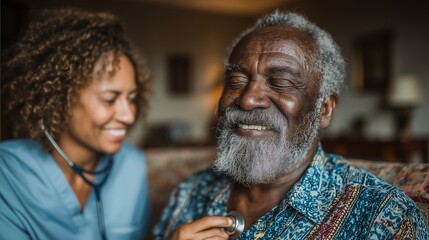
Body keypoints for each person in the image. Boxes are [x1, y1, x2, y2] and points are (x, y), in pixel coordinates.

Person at [153, 11, 429, 239]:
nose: (248, 99)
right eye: (236, 82)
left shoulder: (383, 217)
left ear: (324, 109)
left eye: (281, 82)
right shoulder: (190, 192)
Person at [0, 8, 151, 239]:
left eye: (131, 99)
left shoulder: (133, 166)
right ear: (61, 98)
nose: (129, 116)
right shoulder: (7, 172)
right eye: (109, 99)